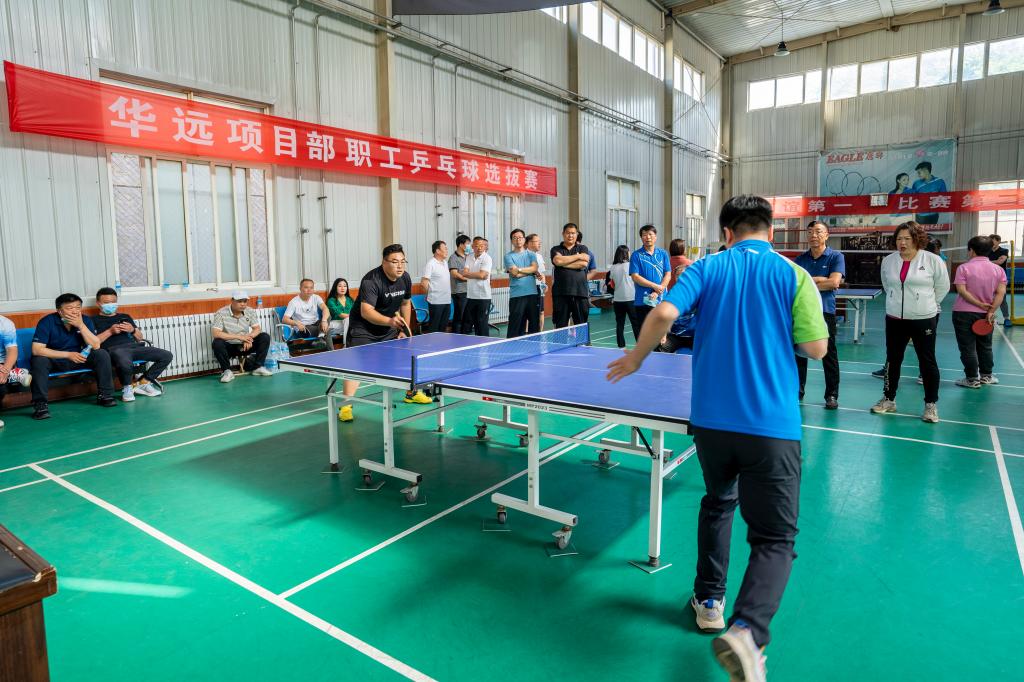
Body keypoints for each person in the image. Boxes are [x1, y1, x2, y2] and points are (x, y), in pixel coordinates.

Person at [607, 195, 828, 682]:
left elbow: (663, 314)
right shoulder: (795, 275)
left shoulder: (705, 268)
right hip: (770, 427)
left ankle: (709, 600)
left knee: (719, 501)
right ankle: (747, 631)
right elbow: (815, 348)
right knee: (774, 538)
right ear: (770, 230)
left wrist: (637, 357)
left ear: (726, 232)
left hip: (710, 423)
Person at [871, 221, 950, 423]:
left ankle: (931, 404)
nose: (902, 242)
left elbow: (943, 287)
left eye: (907, 238)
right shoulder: (888, 261)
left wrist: (926, 304)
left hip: (924, 319)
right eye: (899, 238)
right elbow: (887, 284)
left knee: (927, 361)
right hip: (895, 319)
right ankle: (889, 399)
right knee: (892, 359)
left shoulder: (932, 260)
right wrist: (895, 303)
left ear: (917, 239)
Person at [339, 244, 428, 422]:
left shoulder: (405, 278)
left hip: (388, 326)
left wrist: (404, 329)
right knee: (356, 365)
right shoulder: (371, 280)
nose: (400, 266)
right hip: (363, 328)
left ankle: (411, 394)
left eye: (402, 261)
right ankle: (346, 405)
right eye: (395, 262)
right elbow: (366, 311)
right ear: (384, 262)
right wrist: (390, 322)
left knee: (405, 358)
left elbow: (405, 303)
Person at [30, 293, 118, 419]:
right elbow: (37, 350)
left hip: (78, 358)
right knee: (39, 361)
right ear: (60, 311)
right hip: (55, 359)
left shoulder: (85, 320)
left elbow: (96, 345)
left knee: (101, 354)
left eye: (78, 307)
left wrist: (81, 325)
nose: (75, 311)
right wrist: (67, 355)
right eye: (70, 308)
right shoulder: (47, 322)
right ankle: (40, 405)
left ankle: (105, 395)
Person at [793, 221, 845, 409]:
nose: (813, 235)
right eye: (810, 232)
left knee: (829, 354)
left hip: (825, 311)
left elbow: (834, 283)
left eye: (818, 231)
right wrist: (821, 280)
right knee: (799, 353)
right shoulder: (800, 259)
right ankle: (797, 391)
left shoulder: (836, 257)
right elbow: (793, 284)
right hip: (802, 311)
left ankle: (831, 395)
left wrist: (808, 281)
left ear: (827, 235)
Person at [92, 287, 173, 402]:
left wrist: (132, 330)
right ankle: (127, 388)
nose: (111, 305)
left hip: (135, 348)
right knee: (123, 357)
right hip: (113, 351)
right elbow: (93, 342)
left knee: (166, 355)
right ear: (98, 303)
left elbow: (139, 337)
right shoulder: (93, 320)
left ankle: (143, 382)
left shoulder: (125, 317)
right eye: (106, 302)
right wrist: (110, 331)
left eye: (113, 302)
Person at [952, 236, 1006, 388]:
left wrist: (978, 304)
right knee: (985, 346)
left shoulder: (963, 268)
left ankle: (971, 379)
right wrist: (990, 310)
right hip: (986, 315)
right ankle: (986, 376)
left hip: (963, 313)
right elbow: (1001, 293)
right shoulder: (998, 270)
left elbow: (962, 291)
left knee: (967, 348)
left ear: (971, 250)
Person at [211, 291, 273, 383]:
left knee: (264, 336)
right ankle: (227, 371)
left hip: (245, 345)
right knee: (217, 342)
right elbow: (216, 333)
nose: (243, 304)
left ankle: (258, 367)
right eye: (240, 301)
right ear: (232, 301)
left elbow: (257, 329)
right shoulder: (221, 313)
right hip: (230, 347)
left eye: (245, 301)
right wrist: (239, 337)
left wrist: (248, 338)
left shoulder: (250, 311)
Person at [629, 224, 672, 330]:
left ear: (655, 237)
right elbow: (635, 277)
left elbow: (668, 274)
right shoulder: (636, 255)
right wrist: (654, 286)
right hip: (642, 301)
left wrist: (657, 292)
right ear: (641, 238)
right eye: (644, 235)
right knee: (644, 332)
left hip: (661, 300)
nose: (648, 237)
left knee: (662, 333)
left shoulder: (663, 254)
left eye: (650, 234)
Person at [550, 223, 591, 328]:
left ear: (577, 234)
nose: (570, 235)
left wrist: (563, 263)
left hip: (580, 293)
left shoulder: (583, 248)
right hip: (561, 293)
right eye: (568, 233)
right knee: (560, 326)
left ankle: (582, 340)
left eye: (573, 233)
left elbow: (583, 264)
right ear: (563, 234)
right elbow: (557, 261)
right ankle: (561, 340)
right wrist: (578, 257)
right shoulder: (556, 249)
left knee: (581, 326)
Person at [504, 229, 540, 338]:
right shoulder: (508, 256)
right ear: (511, 241)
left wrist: (519, 270)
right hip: (517, 295)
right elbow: (514, 273)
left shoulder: (531, 254)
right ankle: (512, 346)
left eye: (520, 237)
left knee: (534, 326)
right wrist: (530, 272)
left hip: (532, 293)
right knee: (515, 327)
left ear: (524, 239)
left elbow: (535, 268)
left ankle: (534, 346)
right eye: (515, 238)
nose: (518, 240)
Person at [0, 314, 32, 429]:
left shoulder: (5, 324)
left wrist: (5, 371)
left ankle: (11, 372)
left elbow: (12, 351)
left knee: (1, 385)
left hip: (3, 363)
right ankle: (14, 373)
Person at [607, 245, 639, 348]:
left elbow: (612, 283)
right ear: (626, 253)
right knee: (635, 324)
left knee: (620, 324)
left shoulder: (613, 267)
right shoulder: (631, 265)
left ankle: (621, 346)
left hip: (618, 300)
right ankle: (640, 346)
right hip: (631, 299)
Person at [461, 237, 493, 337]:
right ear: (472, 246)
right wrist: (478, 274)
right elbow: (464, 273)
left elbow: (482, 275)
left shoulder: (487, 258)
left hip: (483, 296)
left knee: (482, 323)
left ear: (485, 247)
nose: (479, 248)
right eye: (477, 246)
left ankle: (485, 344)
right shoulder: (469, 257)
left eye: (482, 245)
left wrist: (470, 274)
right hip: (471, 296)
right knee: (468, 323)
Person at [420, 240, 452, 333]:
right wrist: (429, 294)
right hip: (436, 301)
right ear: (437, 251)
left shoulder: (445, 263)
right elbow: (424, 283)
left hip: (447, 300)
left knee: (443, 327)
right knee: (434, 328)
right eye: (445, 249)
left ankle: (441, 343)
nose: (447, 250)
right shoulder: (431, 264)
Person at [449, 235, 471, 333]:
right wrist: (469, 279)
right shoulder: (453, 257)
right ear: (461, 245)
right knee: (459, 316)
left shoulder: (468, 257)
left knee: (468, 317)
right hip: (459, 292)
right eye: (468, 244)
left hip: (469, 291)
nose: (469, 246)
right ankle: (456, 336)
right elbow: (454, 274)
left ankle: (465, 336)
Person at [988, 234, 1011, 326]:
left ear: (998, 241)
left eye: (993, 241)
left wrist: (988, 262)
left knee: (1002, 299)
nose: (991, 243)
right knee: (987, 298)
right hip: (988, 278)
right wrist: (994, 261)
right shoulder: (987, 251)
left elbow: (1000, 262)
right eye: (990, 242)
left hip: (1000, 279)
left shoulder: (1004, 251)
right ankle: (988, 317)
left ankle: (1006, 318)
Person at [527, 233, 547, 332]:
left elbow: (542, 273)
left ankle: (540, 332)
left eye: (540, 242)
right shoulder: (524, 255)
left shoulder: (539, 256)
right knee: (528, 313)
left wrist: (544, 285)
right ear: (529, 243)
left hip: (539, 288)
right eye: (537, 241)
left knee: (541, 312)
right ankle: (527, 333)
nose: (539, 244)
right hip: (528, 288)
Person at [326, 278, 353, 346]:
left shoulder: (350, 300)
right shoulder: (331, 301)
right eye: (340, 286)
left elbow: (356, 311)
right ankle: (347, 345)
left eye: (345, 286)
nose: (342, 288)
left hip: (348, 324)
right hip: (334, 325)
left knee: (350, 322)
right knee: (348, 320)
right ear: (335, 287)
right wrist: (354, 316)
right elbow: (341, 315)